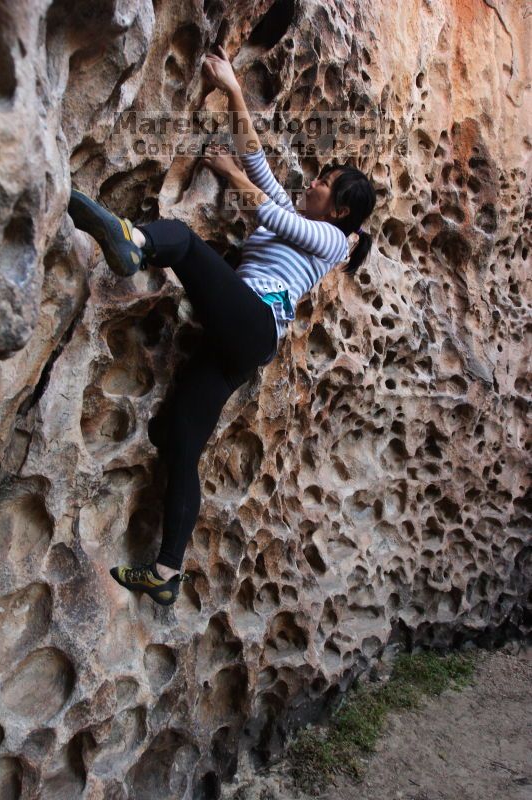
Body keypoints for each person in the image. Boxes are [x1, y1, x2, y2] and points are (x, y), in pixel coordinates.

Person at [67, 45, 376, 606]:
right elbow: (257, 161)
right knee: (180, 442)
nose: (314, 182)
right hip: (240, 344)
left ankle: (135, 244)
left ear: (339, 211)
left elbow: (264, 205)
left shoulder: (332, 241)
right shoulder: (301, 218)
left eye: (326, 183)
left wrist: (229, 172)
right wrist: (232, 89)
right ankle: (166, 571)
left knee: (181, 239)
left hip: (253, 323)